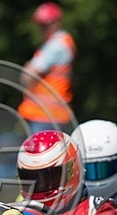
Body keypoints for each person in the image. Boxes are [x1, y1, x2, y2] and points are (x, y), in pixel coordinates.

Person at [17, 2, 76, 134]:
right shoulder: (57, 43)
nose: (42, 29)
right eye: (40, 25)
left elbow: (29, 73)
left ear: (57, 22)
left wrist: (29, 92)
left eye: (46, 24)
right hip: (50, 115)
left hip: (46, 116)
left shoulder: (57, 45)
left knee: (40, 154)